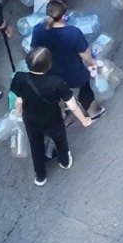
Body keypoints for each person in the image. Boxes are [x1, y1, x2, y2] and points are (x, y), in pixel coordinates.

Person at [10, 47, 92, 186]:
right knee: (60, 140)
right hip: (52, 119)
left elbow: (19, 99)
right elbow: (72, 105)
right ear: (49, 65)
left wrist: (18, 112)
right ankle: (64, 161)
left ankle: (40, 176)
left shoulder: (19, 77)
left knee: (35, 145)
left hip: (31, 119)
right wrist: (84, 120)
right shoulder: (56, 82)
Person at [31, 0, 106, 119]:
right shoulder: (73, 33)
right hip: (73, 72)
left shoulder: (38, 30)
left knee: (57, 92)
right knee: (85, 86)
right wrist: (93, 64)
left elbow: (34, 50)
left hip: (50, 73)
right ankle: (92, 110)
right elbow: (85, 55)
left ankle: (61, 111)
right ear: (63, 16)